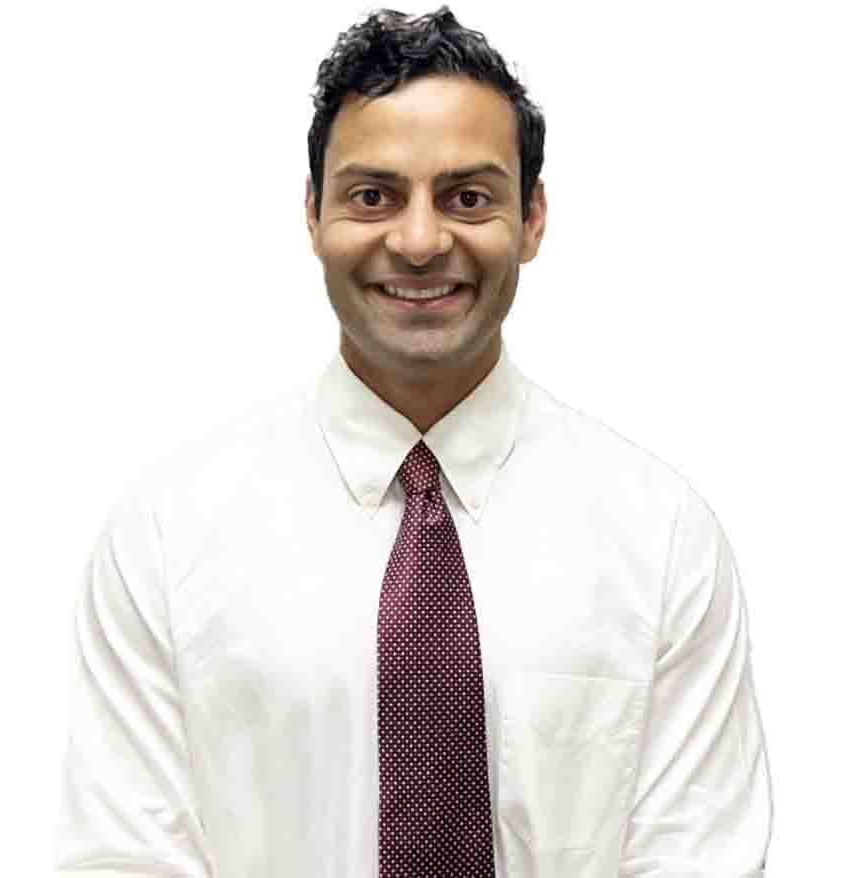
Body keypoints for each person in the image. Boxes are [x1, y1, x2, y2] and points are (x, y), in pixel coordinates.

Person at [54, 6, 773, 877]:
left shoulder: (662, 539)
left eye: (468, 197)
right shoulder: (166, 536)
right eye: (373, 196)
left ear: (532, 218)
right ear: (313, 214)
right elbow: (124, 858)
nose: (421, 241)